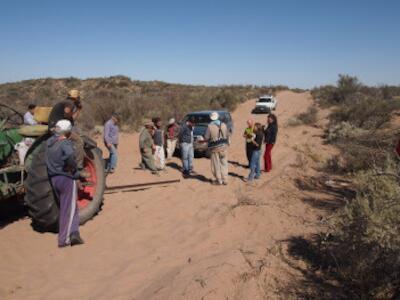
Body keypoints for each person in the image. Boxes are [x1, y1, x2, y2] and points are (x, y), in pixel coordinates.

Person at [46, 119, 84, 248]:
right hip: (66, 178)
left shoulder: (49, 143)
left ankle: (74, 233)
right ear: (67, 131)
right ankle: (64, 239)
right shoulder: (65, 143)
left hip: (54, 178)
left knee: (70, 207)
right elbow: (69, 156)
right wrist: (73, 168)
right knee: (68, 209)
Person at [48, 89, 89, 178]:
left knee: (75, 136)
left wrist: (78, 109)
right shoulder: (69, 103)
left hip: (55, 127)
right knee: (79, 140)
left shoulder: (65, 102)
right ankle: (79, 167)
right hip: (58, 129)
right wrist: (75, 109)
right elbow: (67, 113)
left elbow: (71, 119)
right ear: (77, 98)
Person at [204, 112, 229, 185]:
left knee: (216, 165)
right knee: (224, 163)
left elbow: (206, 137)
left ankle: (219, 180)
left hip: (215, 148)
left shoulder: (210, 126)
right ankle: (225, 179)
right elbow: (227, 135)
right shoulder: (224, 125)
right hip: (224, 147)